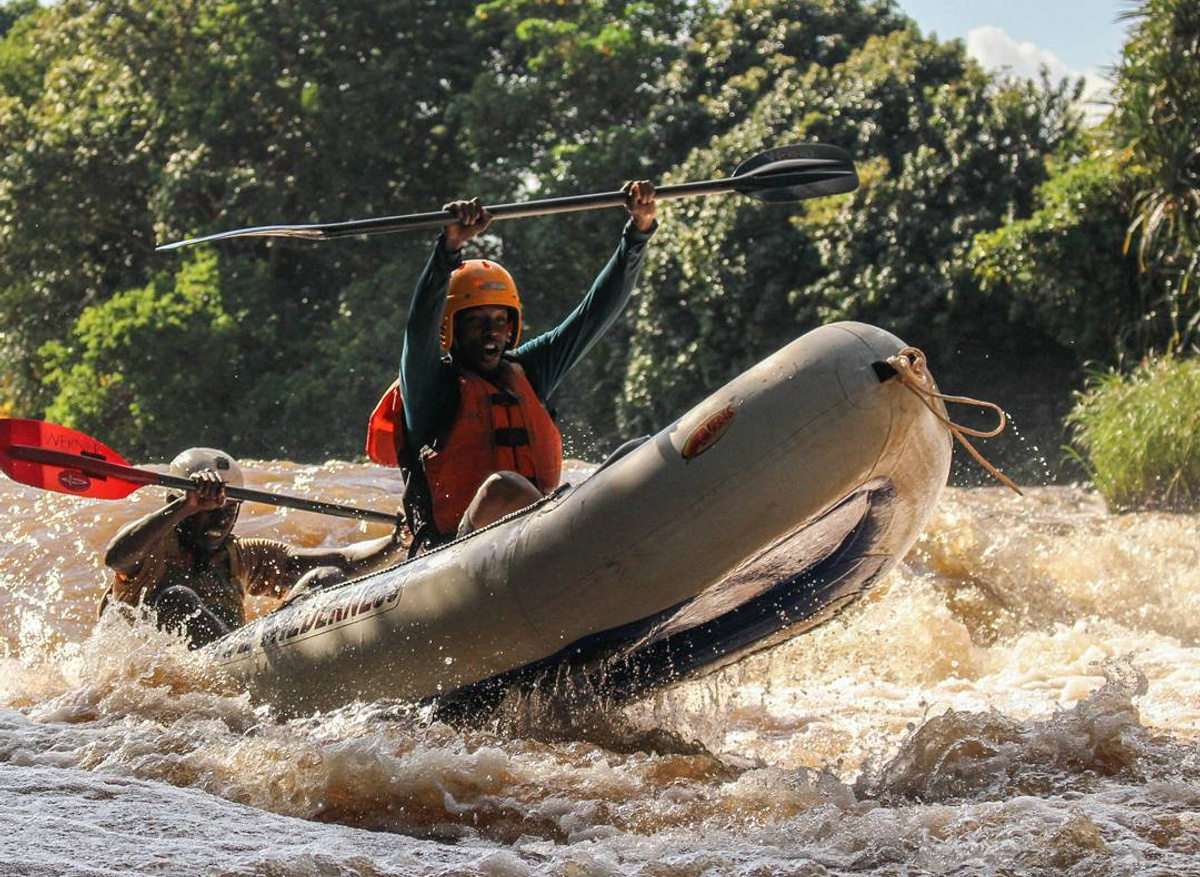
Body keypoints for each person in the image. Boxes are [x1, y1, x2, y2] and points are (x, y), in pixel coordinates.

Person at [366, 181, 658, 549]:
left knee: (637, 451)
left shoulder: (529, 371)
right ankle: (568, 547)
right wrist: (449, 249)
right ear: (451, 329)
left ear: (513, 326)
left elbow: (593, 315)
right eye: (476, 321)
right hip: (454, 552)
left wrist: (638, 233)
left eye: (500, 320)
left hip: (538, 539)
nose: (492, 333)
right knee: (503, 488)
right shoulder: (430, 386)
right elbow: (419, 328)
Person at [101, 447, 405, 648]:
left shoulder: (244, 555)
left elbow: (343, 561)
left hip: (246, 658)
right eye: (208, 508)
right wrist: (187, 503)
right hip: (209, 672)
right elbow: (116, 557)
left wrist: (396, 542)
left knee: (324, 577)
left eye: (230, 508)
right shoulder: (148, 551)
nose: (221, 518)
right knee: (177, 598)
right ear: (175, 503)